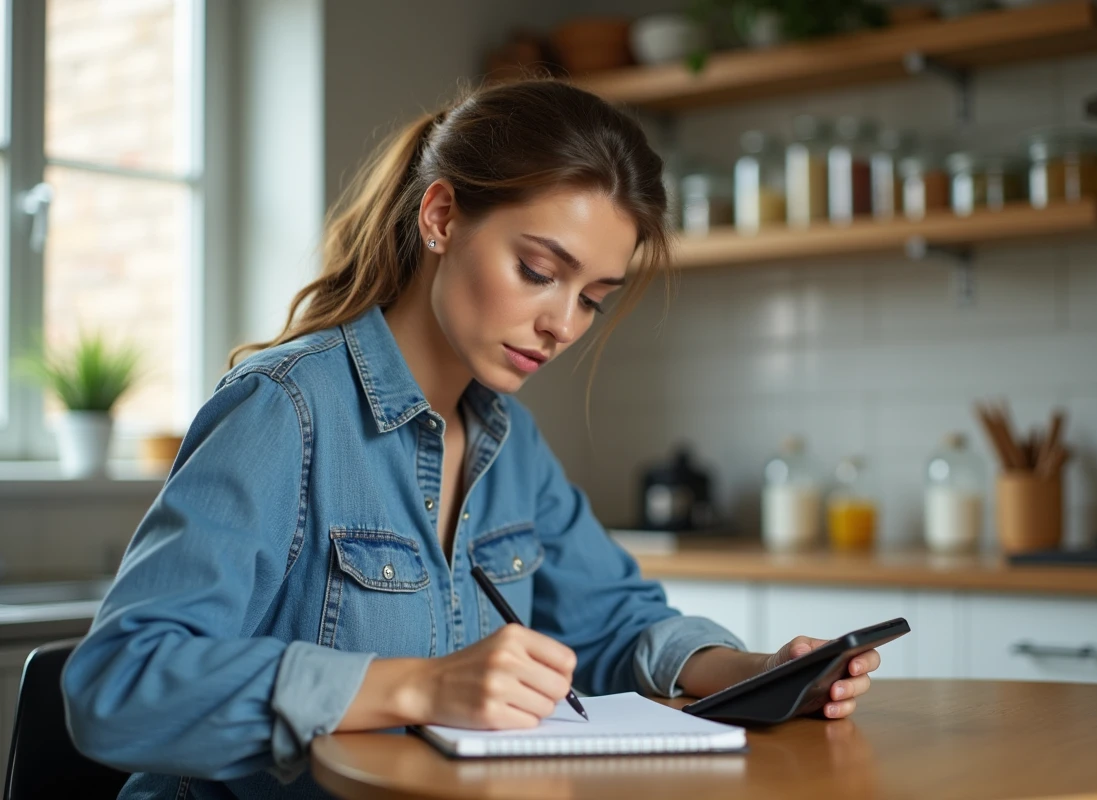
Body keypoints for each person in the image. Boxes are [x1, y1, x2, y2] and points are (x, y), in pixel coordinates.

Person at [61, 77, 881, 799]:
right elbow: (114, 686)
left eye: (593, 298)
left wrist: (759, 674)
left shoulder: (511, 445)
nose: (563, 325)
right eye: (538, 272)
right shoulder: (284, 410)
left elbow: (615, 621)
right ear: (442, 216)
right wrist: (418, 687)